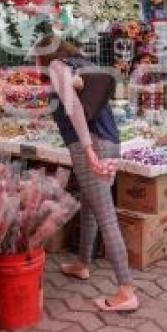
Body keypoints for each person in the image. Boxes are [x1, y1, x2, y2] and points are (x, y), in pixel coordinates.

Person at [31, 35, 138, 311]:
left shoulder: (56, 66)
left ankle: (126, 291)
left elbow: (75, 107)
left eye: (35, 57)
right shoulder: (81, 63)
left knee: (105, 214)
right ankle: (82, 264)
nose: (35, 63)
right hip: (112, 141)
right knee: (92, 204)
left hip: (91, 144)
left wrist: (88, 150)